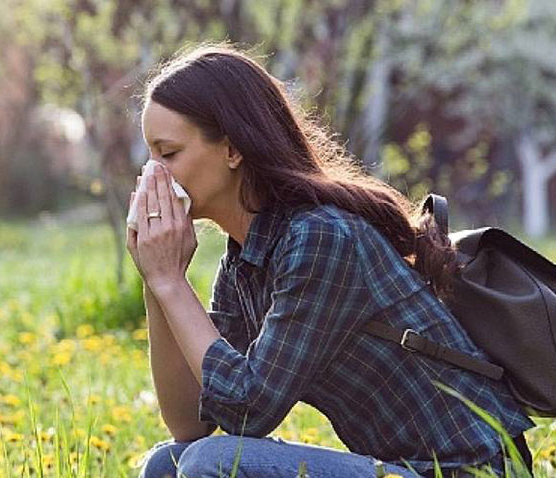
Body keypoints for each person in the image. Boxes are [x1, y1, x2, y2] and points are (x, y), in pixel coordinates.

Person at [125, 44, 535, 478]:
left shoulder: (318, 237)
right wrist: (157, 284)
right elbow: (190, 423)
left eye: (168, 154)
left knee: (214, 464)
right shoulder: (245, 260)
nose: (154, 175)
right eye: (150, 156)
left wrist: (172, 282)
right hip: (399, 469)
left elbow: (249, 411)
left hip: (468, 471)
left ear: (231, 149)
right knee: (166, 464)